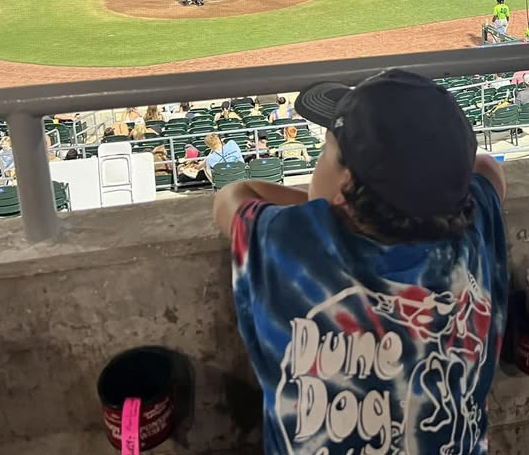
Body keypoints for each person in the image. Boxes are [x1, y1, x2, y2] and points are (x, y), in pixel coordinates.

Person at [212, 70, 508, 455]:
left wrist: (332, 212)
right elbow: (488, 168)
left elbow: (233, 195)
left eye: (325, 151)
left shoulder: (288, 242)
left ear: (346, 185)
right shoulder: (475, 229)